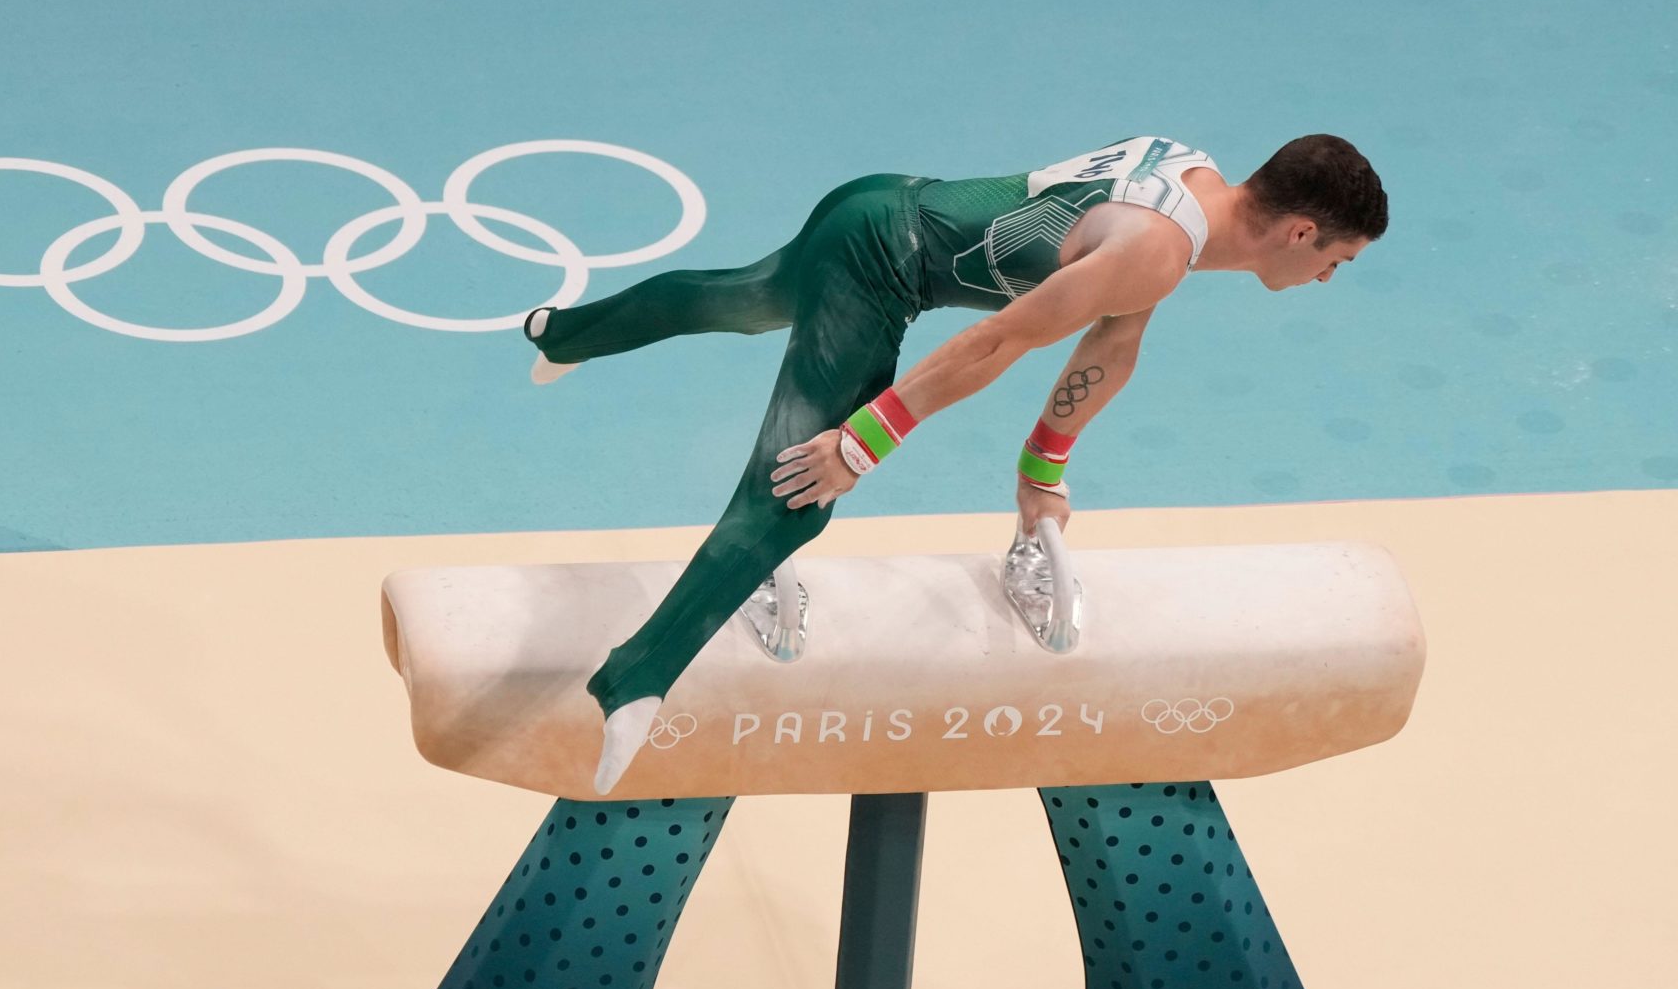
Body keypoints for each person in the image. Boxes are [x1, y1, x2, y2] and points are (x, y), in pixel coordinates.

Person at [522, 134, 1389, 793]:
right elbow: (998, 339)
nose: (1326, 279)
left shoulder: (1188, 180)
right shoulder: (1157, 252)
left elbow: (1114, 341)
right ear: (1302, 231)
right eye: (1334, 262)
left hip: (874, 203)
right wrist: (864, 439)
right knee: (796, 491)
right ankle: (634, 678)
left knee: (749, 300)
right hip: (881, 266)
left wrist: (1041, 474)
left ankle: (564, 332)